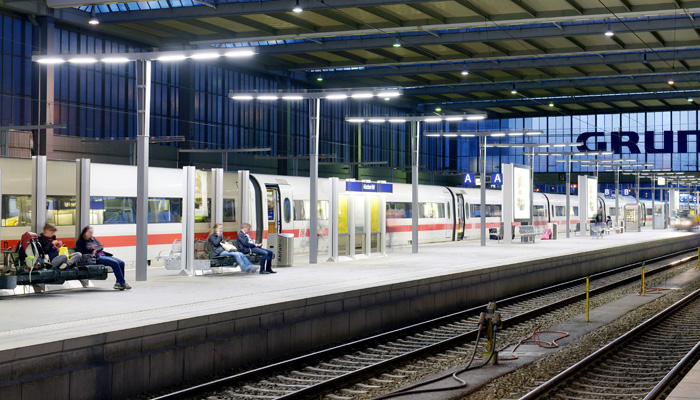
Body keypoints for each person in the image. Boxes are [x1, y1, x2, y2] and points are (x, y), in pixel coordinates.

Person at [76, 225, 131, 290]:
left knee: (121, 263)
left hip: (102, 255)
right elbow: (83, 250)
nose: (91, 234)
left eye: (92, 233)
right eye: (89, 232)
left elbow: (101, 246)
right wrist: (93, 248)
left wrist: (95, 249)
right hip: (94, 258)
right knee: (115, 263)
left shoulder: (93, 239)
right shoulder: (80, 242)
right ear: (84, 233)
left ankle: (119, 283)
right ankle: (122, 282)